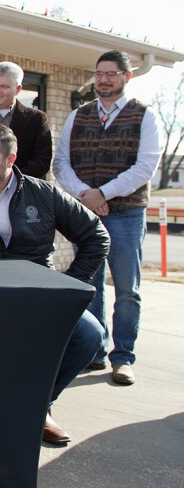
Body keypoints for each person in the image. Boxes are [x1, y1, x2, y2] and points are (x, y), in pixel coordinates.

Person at [0, 124, 108, 445]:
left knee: (89, 335)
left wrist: (69, 289)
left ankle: (38, 406)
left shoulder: (45, 194)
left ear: (10, 158)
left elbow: (96, 237)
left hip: (40, 295)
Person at [53, 50, 163, 385]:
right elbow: (61, 164)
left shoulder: (145, 116)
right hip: (86, 215)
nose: (103, 79)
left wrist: (105, 193)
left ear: (126, 77)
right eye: (99, 73)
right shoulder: (79, 116)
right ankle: (96, 352)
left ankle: (123, 357)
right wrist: (86, 194)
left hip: (127, 214)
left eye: (111, 73)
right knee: (91, 285)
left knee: (127, 288)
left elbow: (145, 166)